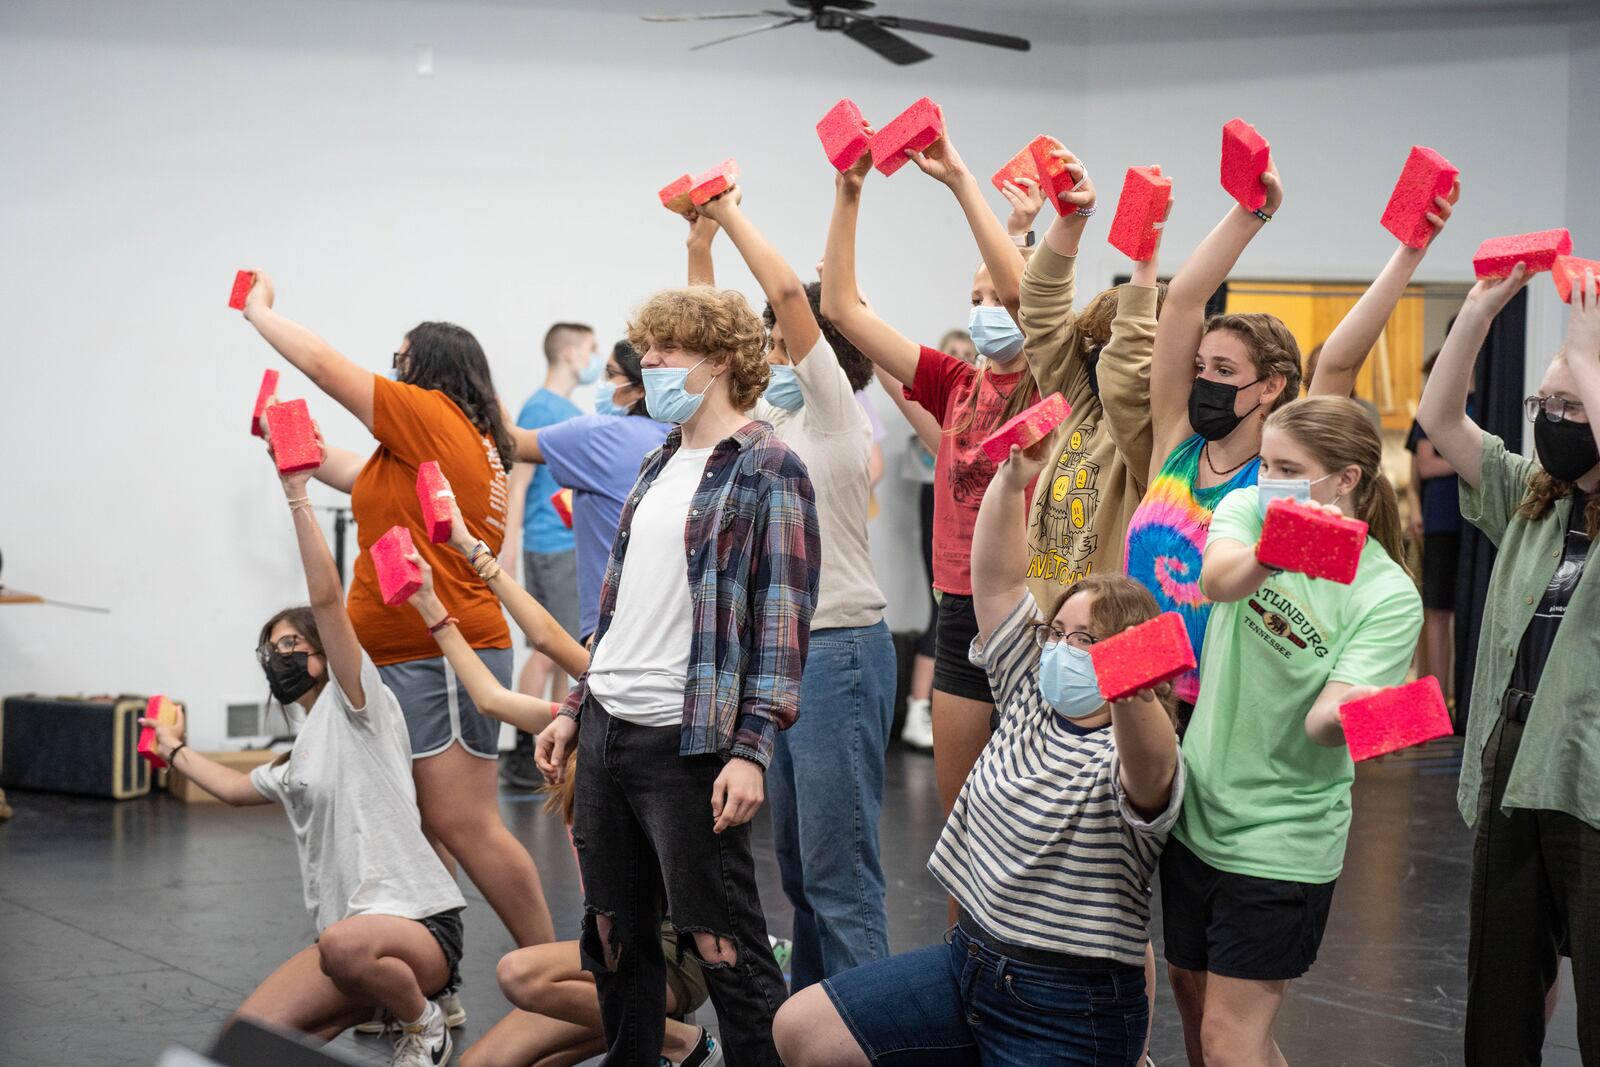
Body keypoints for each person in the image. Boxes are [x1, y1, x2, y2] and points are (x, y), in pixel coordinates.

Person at [771, 438, 1182, 1067]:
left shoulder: (1135, 751)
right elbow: (996, 582)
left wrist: (1132, 668)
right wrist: (1011, 479)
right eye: (1057, 633)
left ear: (1121, 658)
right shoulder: (1029, 694)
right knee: (803, 1029)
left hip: (1069, 1006)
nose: (1062, 649)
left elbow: (1150, 767)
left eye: (1086, 641)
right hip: (969, 962)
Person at [239, 276, 556, 987]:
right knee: (419, 823)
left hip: (441, 651)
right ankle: (436, 982)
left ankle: (566, 977)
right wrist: (288, 443)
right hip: (405, 655)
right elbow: (350, 471)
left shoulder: (435, 418)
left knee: (462, 819)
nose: (392, 363)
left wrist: (260, 312)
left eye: (402, 355)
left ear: (432, 366)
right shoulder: (429, 447)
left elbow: (323, 365)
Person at [534, 285, 819, 1067]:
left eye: (666, 351)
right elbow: (618, 604)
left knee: (723, 947)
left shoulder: (771, 468)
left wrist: (752, 747)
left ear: (721, 361)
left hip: (687, 745)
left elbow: (782, 625)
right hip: (607, 733)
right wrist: (572, 707)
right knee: (614, 941)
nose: (648, 363)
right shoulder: (659, 461)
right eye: (647, 349)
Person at [139, 433, 465, 1067]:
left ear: (323, 652)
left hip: (417, 931)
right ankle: (378, 1002)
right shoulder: (305, 749)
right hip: (346, 942)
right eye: (272, 648)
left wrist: (297, 495)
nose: (280, 655)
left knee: (343, 947)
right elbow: (237, 789)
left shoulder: (358, 704)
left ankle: (423, 1021)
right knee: (246, 1045)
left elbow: (324, 600)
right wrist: (173, 750)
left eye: (293, 645)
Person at [399, 500, 721, 1067]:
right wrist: (429, 605)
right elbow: (491, 699)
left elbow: (546, 638)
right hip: (613, 948)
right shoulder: (579, 719)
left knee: (519, 975)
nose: (595, 645)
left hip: (667, 954)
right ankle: (665, 1040)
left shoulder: (634, 703)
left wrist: (469, 547)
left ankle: (688, 1045)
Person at [1124, 172, 1455, 723]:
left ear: (1272, 385)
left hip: (1220, 705)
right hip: (1136, 680)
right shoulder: (1177, 442)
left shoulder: (1282, 477)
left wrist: (1408, 253)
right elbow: (1183, 301)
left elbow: (1339, 364)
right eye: (1200, 367)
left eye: (1224, 370)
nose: (1203, 380)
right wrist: (1250, 212)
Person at [1161, 395, 1423, 1067]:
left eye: (1288, 467)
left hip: (1284, 835)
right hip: (1198, 807)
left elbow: (1320, 723)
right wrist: (1279, 551)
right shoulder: (1251, 510)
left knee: (1227, 1040)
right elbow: (1217, 581)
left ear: (1346, 480)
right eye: (1267, 464)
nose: (1269, 478)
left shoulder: (1385, 594)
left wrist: (1393, 715)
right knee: (1194, 1002)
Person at [692, 183, 895, 990]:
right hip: (782, 660)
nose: (768, 351)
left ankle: (871, 1035)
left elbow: (782, 293)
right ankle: (818, 1025)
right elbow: (715, 341)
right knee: (803, 879)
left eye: (781, 342)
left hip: (840, 651)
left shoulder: (834, 418)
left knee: (841, 881)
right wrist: (698, 243)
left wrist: (730, 207)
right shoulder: (765, 424)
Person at [820, 119, 1049, 826]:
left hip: (1037, 610)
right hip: (959, 610)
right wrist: (849, 189)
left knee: (1033, 821)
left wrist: (965, 186)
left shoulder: (1053, 378)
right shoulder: (954, 382)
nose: (985, 311)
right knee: (961, 826)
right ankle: (965, 942)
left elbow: (1032, 301)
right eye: (973, 299)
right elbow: (841, 309)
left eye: (997, 299)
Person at [1417, 264, 1600, 1064]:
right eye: (1546, 404)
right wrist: (1481, 311)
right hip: (1512, 764)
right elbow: (1439, 416)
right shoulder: (1532, 495)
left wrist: (1582, 348)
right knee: (1500, 996)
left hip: (1590, 783)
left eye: (1573, 405)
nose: (1555, 420)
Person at [513, 339, 670, 645]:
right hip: (661, 627)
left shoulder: (601, 435)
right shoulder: (678, 438)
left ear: (640, 388)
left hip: (611, 629)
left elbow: (513, 444)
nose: (603, 384)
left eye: (610, 374)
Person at [501, 322, 601, 789]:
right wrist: (508, 551)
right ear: (567, 353)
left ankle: (560, 746)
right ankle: (524, 750)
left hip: (566, 545)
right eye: (590, 350)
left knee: (567, 655)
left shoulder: (564, 408)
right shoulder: (540, 407)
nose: (594, 359)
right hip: (549, 544)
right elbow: (518, 483)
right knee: (548, 650)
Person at [1405, 348, 1468, 704]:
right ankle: (1434, 702)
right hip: (1440, 521)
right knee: (1435, 610)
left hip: (1467, 526)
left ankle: (1446, 701)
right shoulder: (1429, 416)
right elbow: (1424, 469)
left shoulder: (1479, 406)